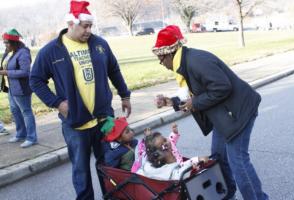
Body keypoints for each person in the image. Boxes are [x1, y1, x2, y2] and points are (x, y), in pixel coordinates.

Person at [152, 25, 268, 200]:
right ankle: (228, 194)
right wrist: (170, 101)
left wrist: (195, 102)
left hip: (238, 112)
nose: (161, 63)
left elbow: (222, 87)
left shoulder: (196, 61)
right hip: (224, 116)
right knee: (219, 156)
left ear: (169, 53)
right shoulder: (184, 64)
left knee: (239, 162)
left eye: (161, 58)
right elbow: (190, 95)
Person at [29, 1, 131, 199]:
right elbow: (36, 80)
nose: (88, 30)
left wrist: (124, 94)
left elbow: (114, 69)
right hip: (75, 124)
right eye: (84, 26)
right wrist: (57, 103)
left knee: (109, 167)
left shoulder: (100, 43)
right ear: (71, 24)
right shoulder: (52, 51)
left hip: (104, 120)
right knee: (81, 172)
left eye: (90, 26)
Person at [0, 29, 37, 148]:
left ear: (13, 42)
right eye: (4, 42)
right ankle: (21, 134)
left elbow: (25, 72)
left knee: (26, 112)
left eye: (7, 42)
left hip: (22, 89)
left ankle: (31, 137)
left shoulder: (23, 53)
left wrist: (7, 72)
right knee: (15, 111)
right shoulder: (10, 52)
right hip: (12, 88)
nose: (5, 45)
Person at [136, 131, 208, 180]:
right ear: (165, 148)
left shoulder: (146, 167)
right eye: (164, 140)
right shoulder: (174, 172)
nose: (167, 140)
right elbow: (181, 172)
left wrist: (195, 160)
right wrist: (194, 164)